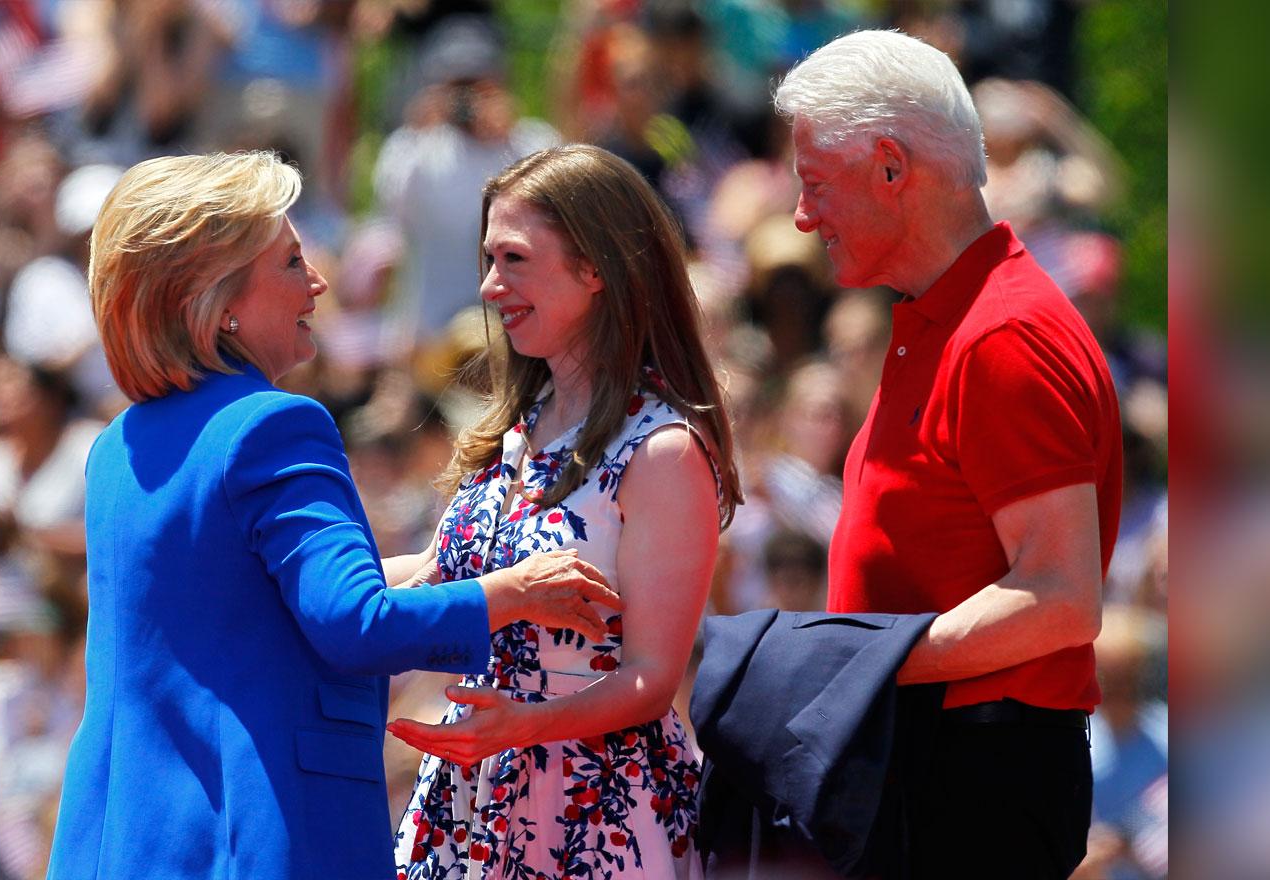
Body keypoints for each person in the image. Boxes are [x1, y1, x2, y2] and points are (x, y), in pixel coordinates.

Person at [44, 151, 622, 880]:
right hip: (255, 838)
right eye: (290, 263)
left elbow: (240, 612)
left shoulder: (115, 448)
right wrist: (518, 593)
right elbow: (356, 623)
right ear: (214, 299)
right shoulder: (273, 427)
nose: (318, 282)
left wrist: (448, 567)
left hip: (122, 847)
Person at [773, 30, 1122, 877]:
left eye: (816, 184)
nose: (801, 216)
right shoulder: (948, 315)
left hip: (973, 778)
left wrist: (852, 663)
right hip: (936, 766)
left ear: (892, 168)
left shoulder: (1001, 334)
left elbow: (1060, 598)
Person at [386, 144, 742, 878]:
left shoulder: (663, 451)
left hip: (595, 814)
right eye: (489, 259)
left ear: (595, 267)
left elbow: (652, 676)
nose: (489, 287)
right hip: (473, 798)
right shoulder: (510, 429)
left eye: (513, 259)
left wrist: (527, 725)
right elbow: (430, 575)